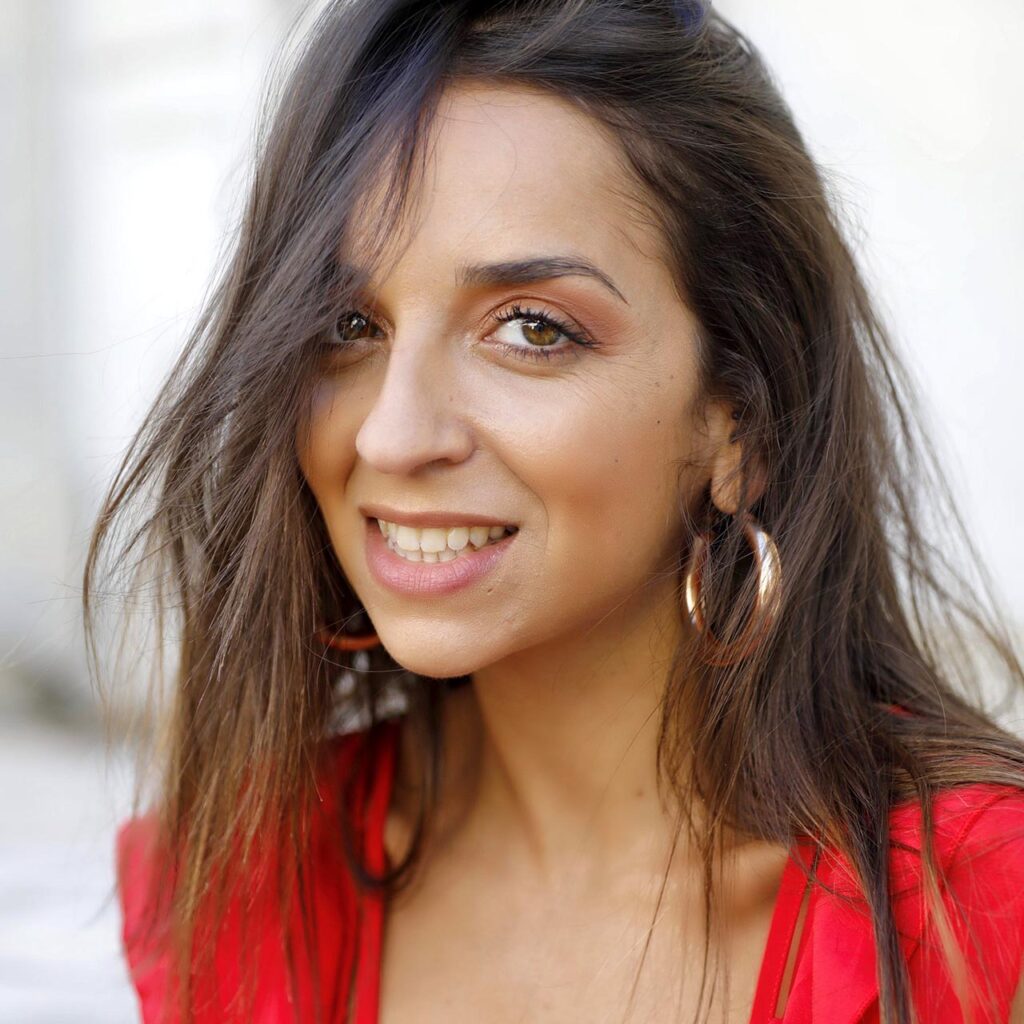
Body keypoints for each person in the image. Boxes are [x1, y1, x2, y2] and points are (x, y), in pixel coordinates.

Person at [84, 1, 1024, 1022]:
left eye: (531, 328)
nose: (392, 436)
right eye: (347, 324)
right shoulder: (240, 882)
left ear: (738, 426)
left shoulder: (973, 918)